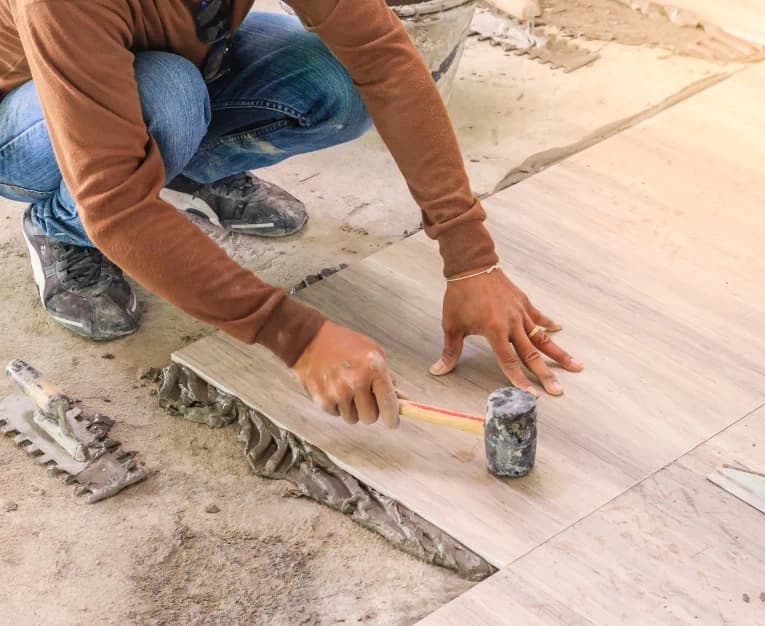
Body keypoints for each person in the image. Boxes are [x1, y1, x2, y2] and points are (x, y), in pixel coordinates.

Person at [0, 0, 582, 430]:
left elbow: (381, 58)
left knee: (332, 82)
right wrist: (296, 337)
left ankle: (178, 161)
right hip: (24, 107)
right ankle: (59, 226)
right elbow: (119, 204)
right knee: (168, 99)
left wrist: (471, 258)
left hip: (158, 60)